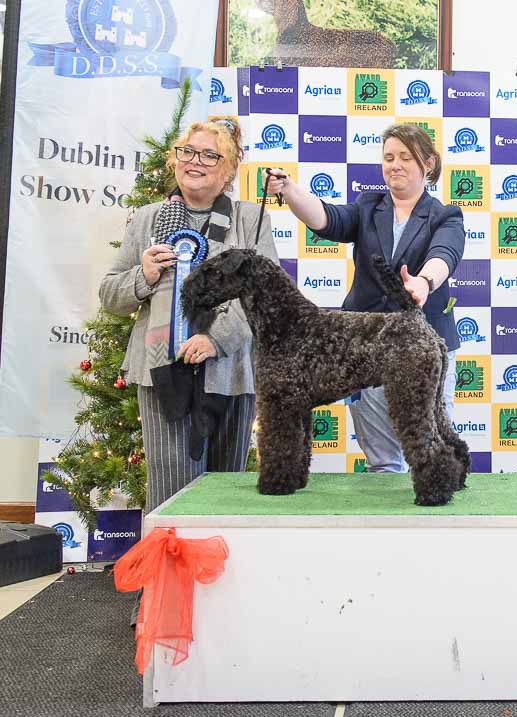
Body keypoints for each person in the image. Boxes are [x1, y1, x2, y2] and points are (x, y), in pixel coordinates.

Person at [100, 116, 279, 515]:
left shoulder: (250, 219)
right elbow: (110, 296)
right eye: (188, 151)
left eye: (209, 155)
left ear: (227, 171)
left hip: (231, 373)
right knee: (170, 496)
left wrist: (216, 339)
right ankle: (170, 560)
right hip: (161, 371)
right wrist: (143, 276)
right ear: (175, 159)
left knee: (226, 497)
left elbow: (265, 294)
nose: (195, 161)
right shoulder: (147, 219)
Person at [265, 122, 465, 473]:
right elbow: (327, 219)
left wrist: (424, 282)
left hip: (423, 340)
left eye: (405, 157)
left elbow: (445, 252)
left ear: (428, 163)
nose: (395, 165)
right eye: (388, 158)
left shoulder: (445, 215)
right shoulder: (368, 206)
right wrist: (290, 190)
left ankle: (443, 485)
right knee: (383, 463)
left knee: (430, 437)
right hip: (367, 348)